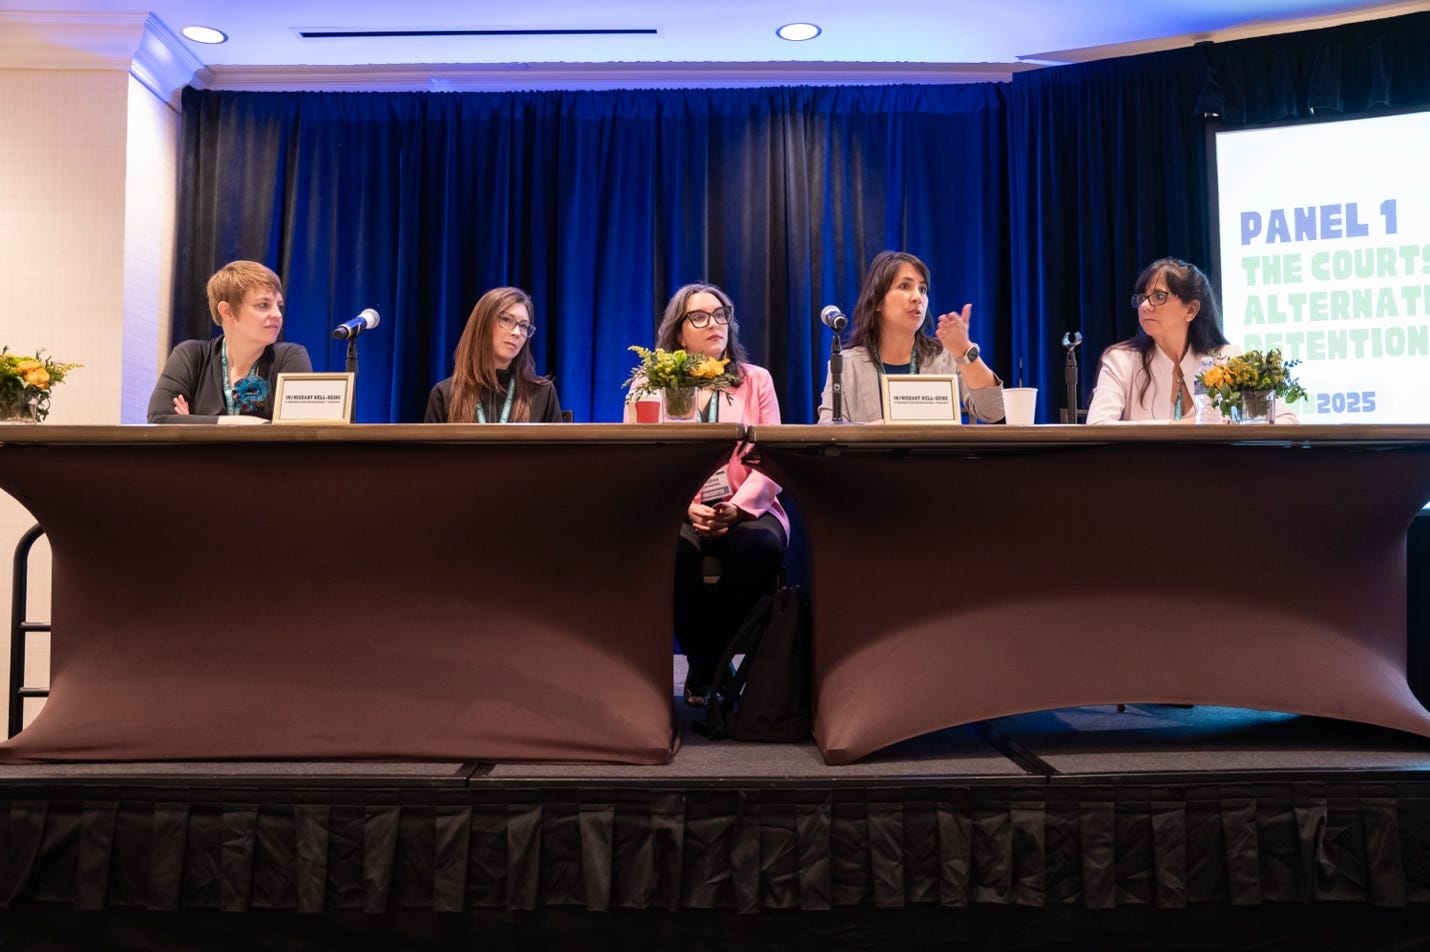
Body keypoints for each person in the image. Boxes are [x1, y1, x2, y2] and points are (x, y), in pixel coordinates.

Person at [626, 283, 789, 707]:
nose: (714, 323)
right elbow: (641, 462)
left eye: (720, 314)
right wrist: (684, 506)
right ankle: (711, 665)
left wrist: (736, 509)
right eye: (699, 317)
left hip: (746, 506)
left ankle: (703, 665)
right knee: (673, 555)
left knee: (761, 548)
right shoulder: (650, 381)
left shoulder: (756, 381)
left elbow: (771, 457)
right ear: (679, 334)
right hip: (676, 508)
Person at [1086, 257, 1297, 424]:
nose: (1145, 306)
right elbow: (1098, 425)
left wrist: (1234, 420)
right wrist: (1174, 427)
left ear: (1191, 309)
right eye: (1142, 297)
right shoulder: (1121, 361)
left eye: (1159, 296)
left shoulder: (1225, 359)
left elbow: (1285, 420)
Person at [817, 250, 1005, 423]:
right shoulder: (847, 364)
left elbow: (994, 411)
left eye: (922, 289)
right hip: (871, 460)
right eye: (904, 286)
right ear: (877, 302)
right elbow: (827, 427)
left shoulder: (945, 357)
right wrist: (874, 432)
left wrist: (965, 351)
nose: (917, 297)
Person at [147, 260, 312, 423]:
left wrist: (193, 424)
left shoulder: (290, 357)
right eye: (263, 305)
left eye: (279, 306)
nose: (277, 314)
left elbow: (298, 430)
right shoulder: (190, 355)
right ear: (228, 311)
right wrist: (252, 423)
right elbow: (159, 419)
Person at [425, 287, 563, 423]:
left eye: (523, 326)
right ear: (483, 324)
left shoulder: (542, 393)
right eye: (506, 320)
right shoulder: (444, 395)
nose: (517, 332)